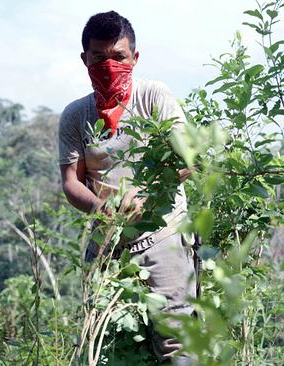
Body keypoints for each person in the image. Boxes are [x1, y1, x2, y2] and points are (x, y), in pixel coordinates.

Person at [57, 10, 196, 365]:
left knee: (176, 344)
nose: (108, 64)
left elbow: (187, 159)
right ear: (84, 59)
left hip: (162, 238)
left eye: (117, 56)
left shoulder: (153, 97)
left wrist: (147, 194)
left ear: (134, 57)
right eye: (98, 57)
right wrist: (101, 208)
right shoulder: (76, 115)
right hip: (107, 244)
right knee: (103, 345)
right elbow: (72, 180)